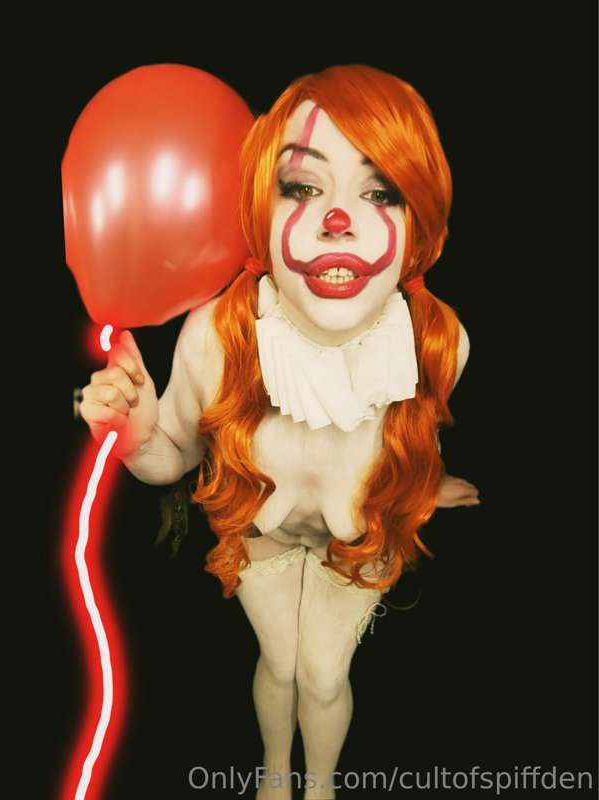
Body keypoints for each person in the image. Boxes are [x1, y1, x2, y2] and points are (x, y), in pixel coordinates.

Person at [79, 64, 480, 800]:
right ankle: (271, 776)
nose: (337, 220)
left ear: (418, 220)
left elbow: (414, 431)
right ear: (260, 207)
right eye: (302, 187)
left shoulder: (437, 344)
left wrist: (427, 486)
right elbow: (171, 459)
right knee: (282, 665)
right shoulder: (217, 335)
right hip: (260, 525)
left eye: (380, 193)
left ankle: (317, 789)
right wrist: (135, 434)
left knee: (323, 675)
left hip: (359, 533)